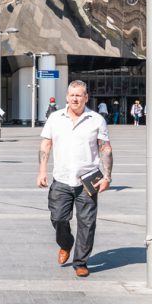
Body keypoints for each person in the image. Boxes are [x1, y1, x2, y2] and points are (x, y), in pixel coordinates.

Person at [37, 80, 113, 278]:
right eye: (72, 95)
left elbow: (105, 148)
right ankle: (66, 244)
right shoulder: (55, 118)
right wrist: (42, 171)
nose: (75, 98)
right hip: (61, 180)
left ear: (86, 97)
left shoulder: (96, 119)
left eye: (79, 95)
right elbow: (46, 145)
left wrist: (107, 176)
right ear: (66, 97)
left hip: (88, 181)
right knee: (58, 219)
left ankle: (80, 262)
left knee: (87, 223)